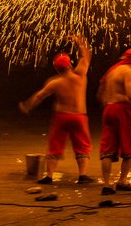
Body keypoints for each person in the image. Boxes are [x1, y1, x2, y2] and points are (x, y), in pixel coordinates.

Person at [18, 35, 95, 184]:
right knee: (82, 145)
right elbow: (86, 56)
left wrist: (27, 106)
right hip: (79, 116)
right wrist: (79, 42)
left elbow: (39, 96)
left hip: (62, 116)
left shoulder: (55, 82)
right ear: (70, 64)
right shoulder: (80, 76)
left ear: (56, 68)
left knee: (55, 145)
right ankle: (83, 175)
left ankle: (49, 176)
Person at [98, 47, 131, 195]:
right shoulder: (128, 71)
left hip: (108, 109)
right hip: (122, 110)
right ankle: (122, 181)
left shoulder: (113, 71)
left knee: (107, 150)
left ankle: (107, 185)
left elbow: (102, 95)